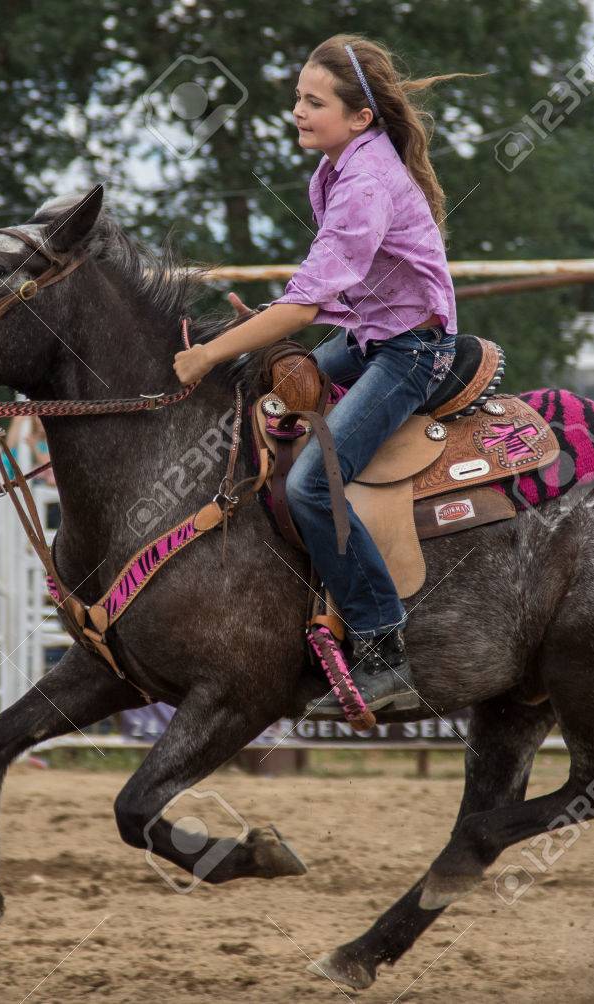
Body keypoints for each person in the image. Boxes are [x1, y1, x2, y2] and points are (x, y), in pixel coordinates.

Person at [174, 35, 472, 713]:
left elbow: (307, 301)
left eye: (314, 102)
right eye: (297, 99)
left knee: (312, 484)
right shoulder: (337, 169)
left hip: (409, 352)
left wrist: (209, 352)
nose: (298, 112)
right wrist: (272, 324)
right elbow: (326, 287)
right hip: (371, 336)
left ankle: (381, 643)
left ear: (360, 117)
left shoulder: (365, 181)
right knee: (265, 396)